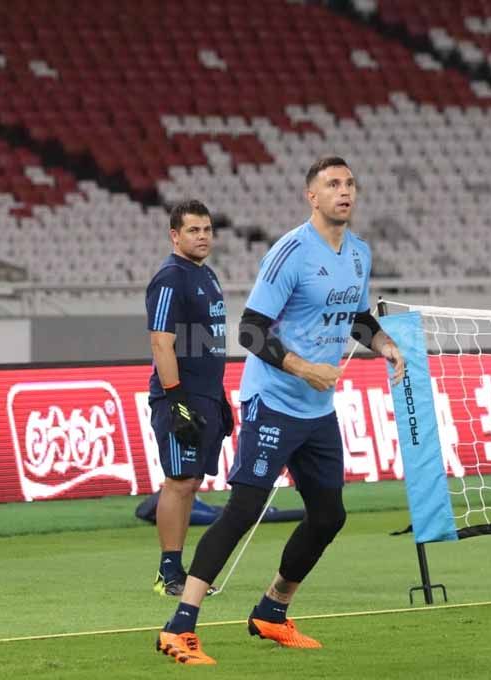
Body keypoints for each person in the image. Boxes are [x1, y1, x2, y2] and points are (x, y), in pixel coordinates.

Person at [155, 156, 405, 665]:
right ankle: (179, 626)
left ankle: (272, 609)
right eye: (333, 184)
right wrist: (303, 367)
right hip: (272, 400)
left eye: (350, 183)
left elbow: (355, 317)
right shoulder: (290, 252)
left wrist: (384, 345)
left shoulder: (359, 253)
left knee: (329, 516)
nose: (344, 191)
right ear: (312, 197)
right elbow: (250, 329)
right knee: (243, 510)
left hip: (317, 410)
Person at [145, 199, 233, 596]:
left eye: (207, 229)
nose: (202, 236)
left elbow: (209, 344)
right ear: (175, 236)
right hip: (179, 396)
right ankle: (169, 573)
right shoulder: (170, 277)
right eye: (193, 230)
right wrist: (175, 398)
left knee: (192, 481)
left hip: (206, 395)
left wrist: (222, 398)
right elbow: (161, 342)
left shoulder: (207, 275)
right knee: (178, 482)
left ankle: (180, 571)